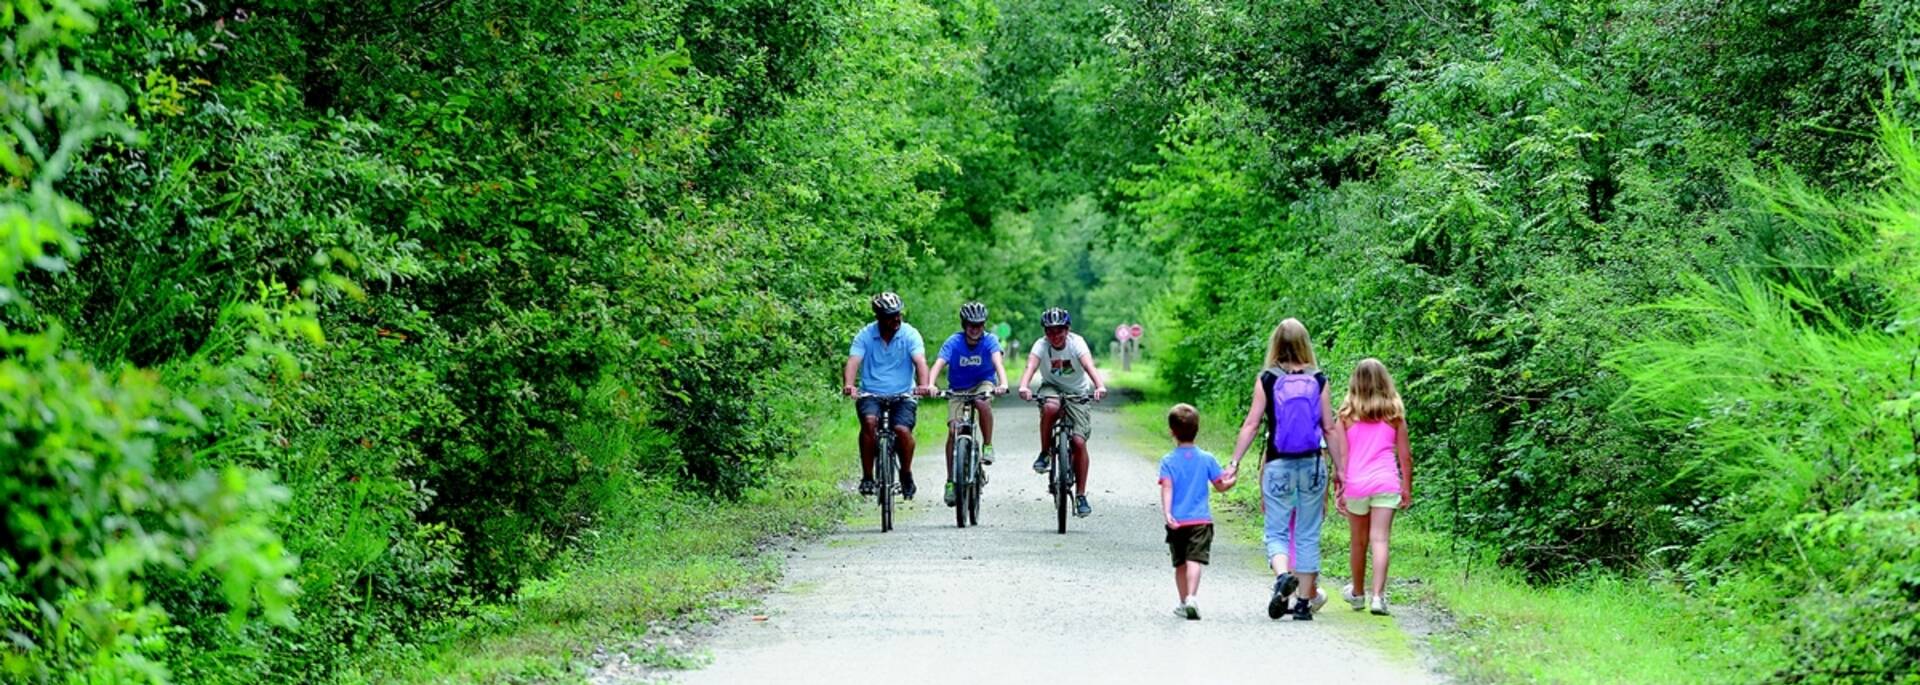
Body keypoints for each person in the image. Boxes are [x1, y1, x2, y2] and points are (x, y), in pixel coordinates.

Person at [1223, 318, 1346, 621]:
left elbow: (1252, 424)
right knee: (1307, 533)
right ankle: (1303, 604)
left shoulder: (1267, 378)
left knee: (1276, 530)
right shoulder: (1318, 379)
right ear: (1306, 342)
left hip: (1278, 464)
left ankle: (1281, 576)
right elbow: (1329, 428)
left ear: (1275, 343)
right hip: (1312, 464)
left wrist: (1235, 462)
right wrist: (1340, 470)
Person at [1336, 358, 1413, 616]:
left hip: (1356, 484)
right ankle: (1378, 597)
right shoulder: (1394, 415)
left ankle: (1358, 594)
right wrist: (1406, 487)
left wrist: (1340, 487)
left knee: (1358, 542)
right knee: (1380, 539)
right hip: (1386, 482)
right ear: (1385, 381)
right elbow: (1405, 456)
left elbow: (1342, 457)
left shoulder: (1345, 416)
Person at [1016, 307, 1108, 517]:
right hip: (1052, 387)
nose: (1054, 335)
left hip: (1077, 392)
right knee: (1051, 406)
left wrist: (1099, 386)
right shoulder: (1041, 345)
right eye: (1049, 331)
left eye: (1059, 330)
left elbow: (1089, 366)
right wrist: (1024, 386)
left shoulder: (1077, 343)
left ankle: (1081, 495)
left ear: (1067, 329)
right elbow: (1030, 366)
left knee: (1078, 442)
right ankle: (1045, 453)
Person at [842, 292, 933, 499]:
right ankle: (867, 476)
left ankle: (906, 473)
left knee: (901, 430)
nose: (897, 318)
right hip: (870, 393)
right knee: (869, 422)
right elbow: (853, 361)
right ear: (879, 317)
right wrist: (849, 384)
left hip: (903, 394)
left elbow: (920, 362)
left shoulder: (910, 334)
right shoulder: (865, 335)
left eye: (898, 313)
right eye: (891, 315)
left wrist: (924, 385)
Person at [926, 301, 1010, 507]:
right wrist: (930, 384)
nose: (975, 329)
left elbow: (998, 362)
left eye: (980, 325)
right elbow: (939, 364)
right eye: (971, 325)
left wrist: (1003, 383)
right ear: (964, 325)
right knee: (954, 430)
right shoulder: (953, 342)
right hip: (958, 389)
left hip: (983, 384)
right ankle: (950, 481)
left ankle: (987, 445)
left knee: (982, 404)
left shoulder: (990, 340)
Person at [1159, 403, 1235, 620]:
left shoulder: (1168, 461)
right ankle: (1193, 596)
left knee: (1180, 563)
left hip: (1177, 521)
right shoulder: (1207, 459)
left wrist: (1167, 513)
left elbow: (1167, 488)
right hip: (1201, 521)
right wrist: (1232, 481)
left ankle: (1183, 601)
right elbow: (1221, 485)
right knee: (1195, 560)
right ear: (1197, 429)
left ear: (1172, 431)